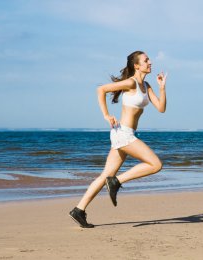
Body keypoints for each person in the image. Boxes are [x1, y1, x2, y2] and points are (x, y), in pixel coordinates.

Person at [69, 50, 167, 228]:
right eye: (146, 60)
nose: (150, 62)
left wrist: (162, 87)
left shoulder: (147, 86)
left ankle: (79, 210)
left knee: (105, 175)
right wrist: (106, 115)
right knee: (155, 164)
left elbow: (161, 108)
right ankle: (117, 182)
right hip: (123, 134)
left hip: (125, 133)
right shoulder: (131, 83)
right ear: (136, 65)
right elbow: (101, 89)